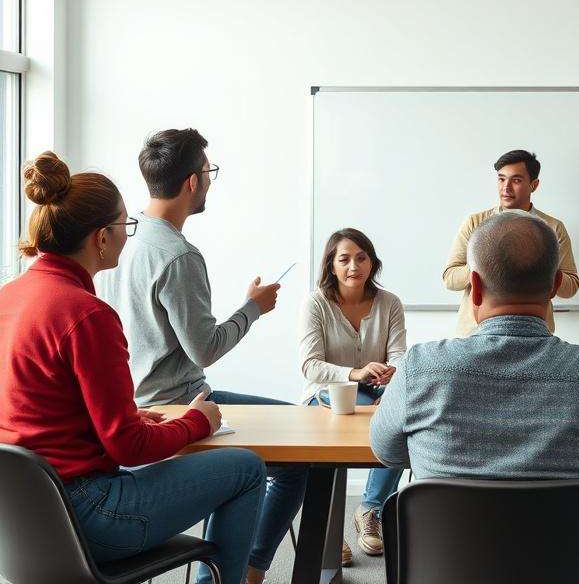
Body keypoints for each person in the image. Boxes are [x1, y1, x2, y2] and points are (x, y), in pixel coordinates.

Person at [0, 152, 266, 584]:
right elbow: (128, 447)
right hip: (88, 515)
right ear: (102, 237)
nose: (130, 235)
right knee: (247, 467)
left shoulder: (9, 297)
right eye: (127, 225)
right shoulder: (87, 315)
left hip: (20, 521)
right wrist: (198, 421)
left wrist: (119, 418)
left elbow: (31, 409)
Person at [97, 128, 306, 584]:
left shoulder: (117, 240)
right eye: (208, 172)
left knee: (289, 434)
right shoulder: (177, 255)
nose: (210, 180)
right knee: (296, 457)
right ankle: (244, 571)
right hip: (178, 404)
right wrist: (253, 308)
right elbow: (205, 349)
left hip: (128, 405)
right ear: (193, 181)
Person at [372, 210, 579, 481]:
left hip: (448, 529)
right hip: (570, 529)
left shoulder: (420, 369)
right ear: (555, 285)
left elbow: (387, 451)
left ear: (475, 287)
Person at [299, 228, 406, 561]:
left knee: (402, 421)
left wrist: (391, 377)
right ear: (331, 265)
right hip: (325, 395)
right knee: (346, 424)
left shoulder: (390, 302)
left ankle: (370, 511)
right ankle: (328, 532)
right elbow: (310, 365)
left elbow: (401, 355)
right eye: (344, 259)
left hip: (376, 393)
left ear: (372, 263)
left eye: (362, 258)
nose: (353, 266)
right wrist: (354, 374)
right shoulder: (316, 302)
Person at [442, 149, 579, 336]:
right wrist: (487, 263)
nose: (505, 187)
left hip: (534, 336)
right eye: (501, 179)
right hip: (476, 334)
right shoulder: (474, 223)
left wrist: (540, 265)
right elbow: (450, 278)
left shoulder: (553, 228)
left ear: (534, 185)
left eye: (516, 180)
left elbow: (571, 286)